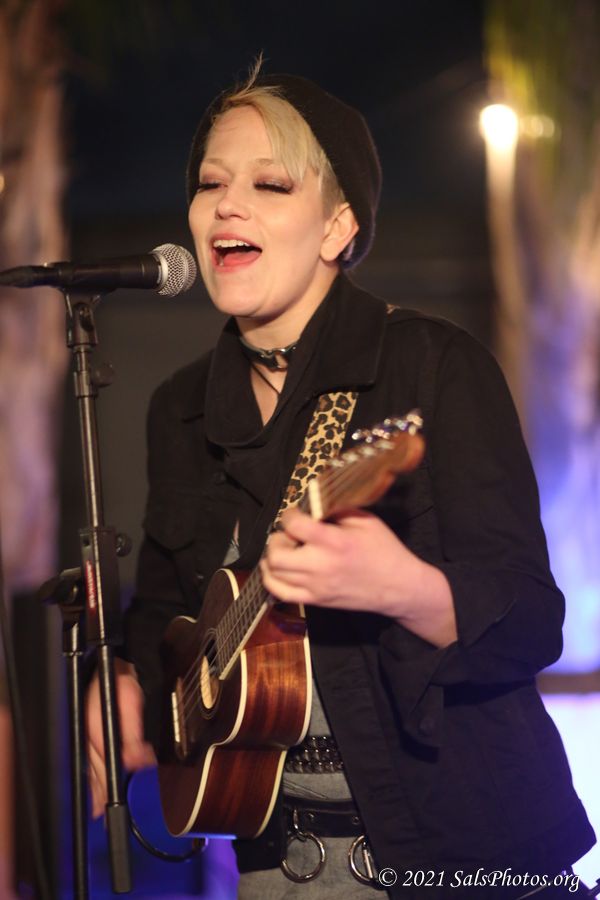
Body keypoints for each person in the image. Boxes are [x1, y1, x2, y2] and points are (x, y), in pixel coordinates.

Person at [86, 65, 596, 898]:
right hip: (272, 861)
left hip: (458, 851)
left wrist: (406, 590)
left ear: (337, 227)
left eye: (269, 184)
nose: (227, 206)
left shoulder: (432, 365)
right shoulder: (180, 408)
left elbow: (532, 621)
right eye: (210, 183)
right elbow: (164, 614)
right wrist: (125, 681)